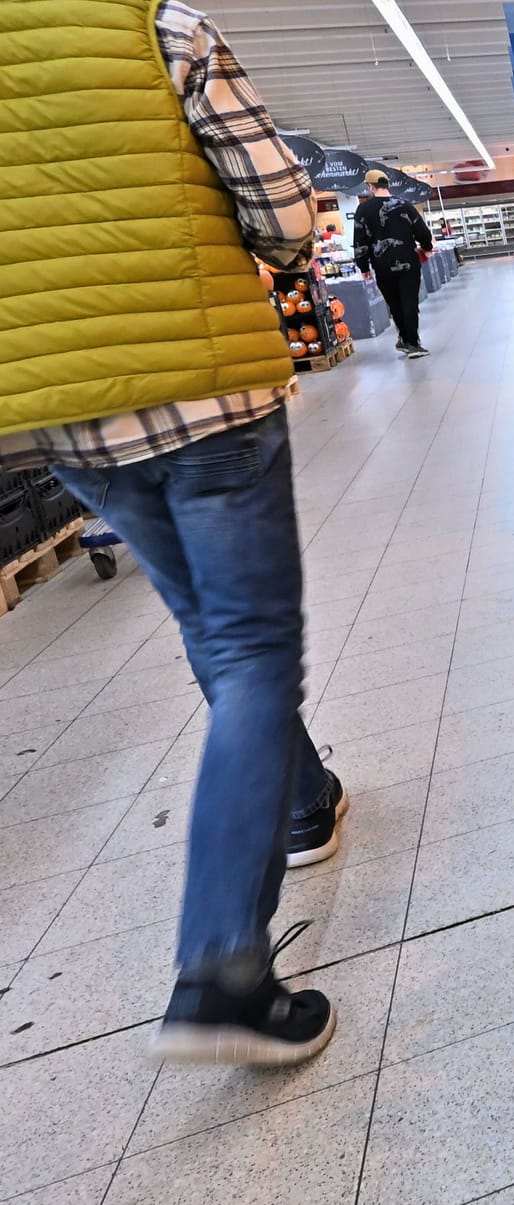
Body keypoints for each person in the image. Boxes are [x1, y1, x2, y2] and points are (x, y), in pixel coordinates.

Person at [0, 0, 346, 1066]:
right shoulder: (162, 29)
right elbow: (285, 217)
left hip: (62, 412)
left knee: (210, 629)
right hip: (204, 397)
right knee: (251, 651)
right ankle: (222, 964)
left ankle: (304, 799)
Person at [353, 170, 434, 358]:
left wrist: (363, 266)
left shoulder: (363, 210)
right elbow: (422, 230)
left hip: (382, 264)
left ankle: (405, 339)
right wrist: (427, 247)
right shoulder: (404, 205)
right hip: (408, 261)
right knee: (410, 302)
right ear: (387, 184)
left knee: (394, 303)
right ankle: (413, 343)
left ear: (370, 186)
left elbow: (360, 240)